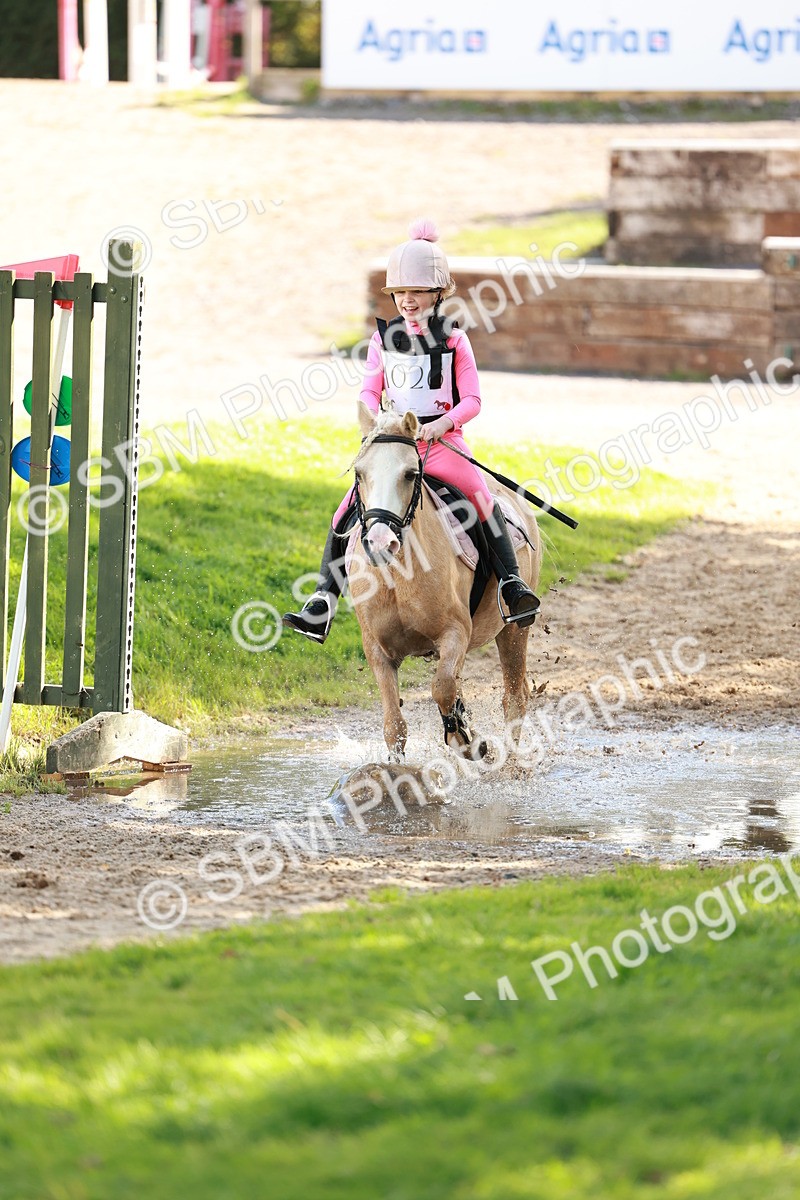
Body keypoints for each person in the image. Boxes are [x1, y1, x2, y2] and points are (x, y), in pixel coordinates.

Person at [282, 218, 540, 643]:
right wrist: (369, 417)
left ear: (438, 294)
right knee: (344, 509)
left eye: (416, 291)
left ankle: (512, 584)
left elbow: (472, 401)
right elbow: (369, 389)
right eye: (400, 292)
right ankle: (323, 600)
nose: (407, 300)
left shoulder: (455, 341)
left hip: (442, 446)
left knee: (481, 497)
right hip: (394, 446)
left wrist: (440, 426)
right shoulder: (382, 342)